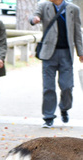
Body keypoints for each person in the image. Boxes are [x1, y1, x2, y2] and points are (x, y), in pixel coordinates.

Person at [31, 0, 83, 128]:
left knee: (67, 86)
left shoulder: (73, 9)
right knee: (48, 87)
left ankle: (64, 108)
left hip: (66, 54)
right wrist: (35, 19)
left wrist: (80, 52)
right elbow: (33, 17)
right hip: (49, 54)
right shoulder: (43, 6)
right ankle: (48, 117)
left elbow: (77, 32)